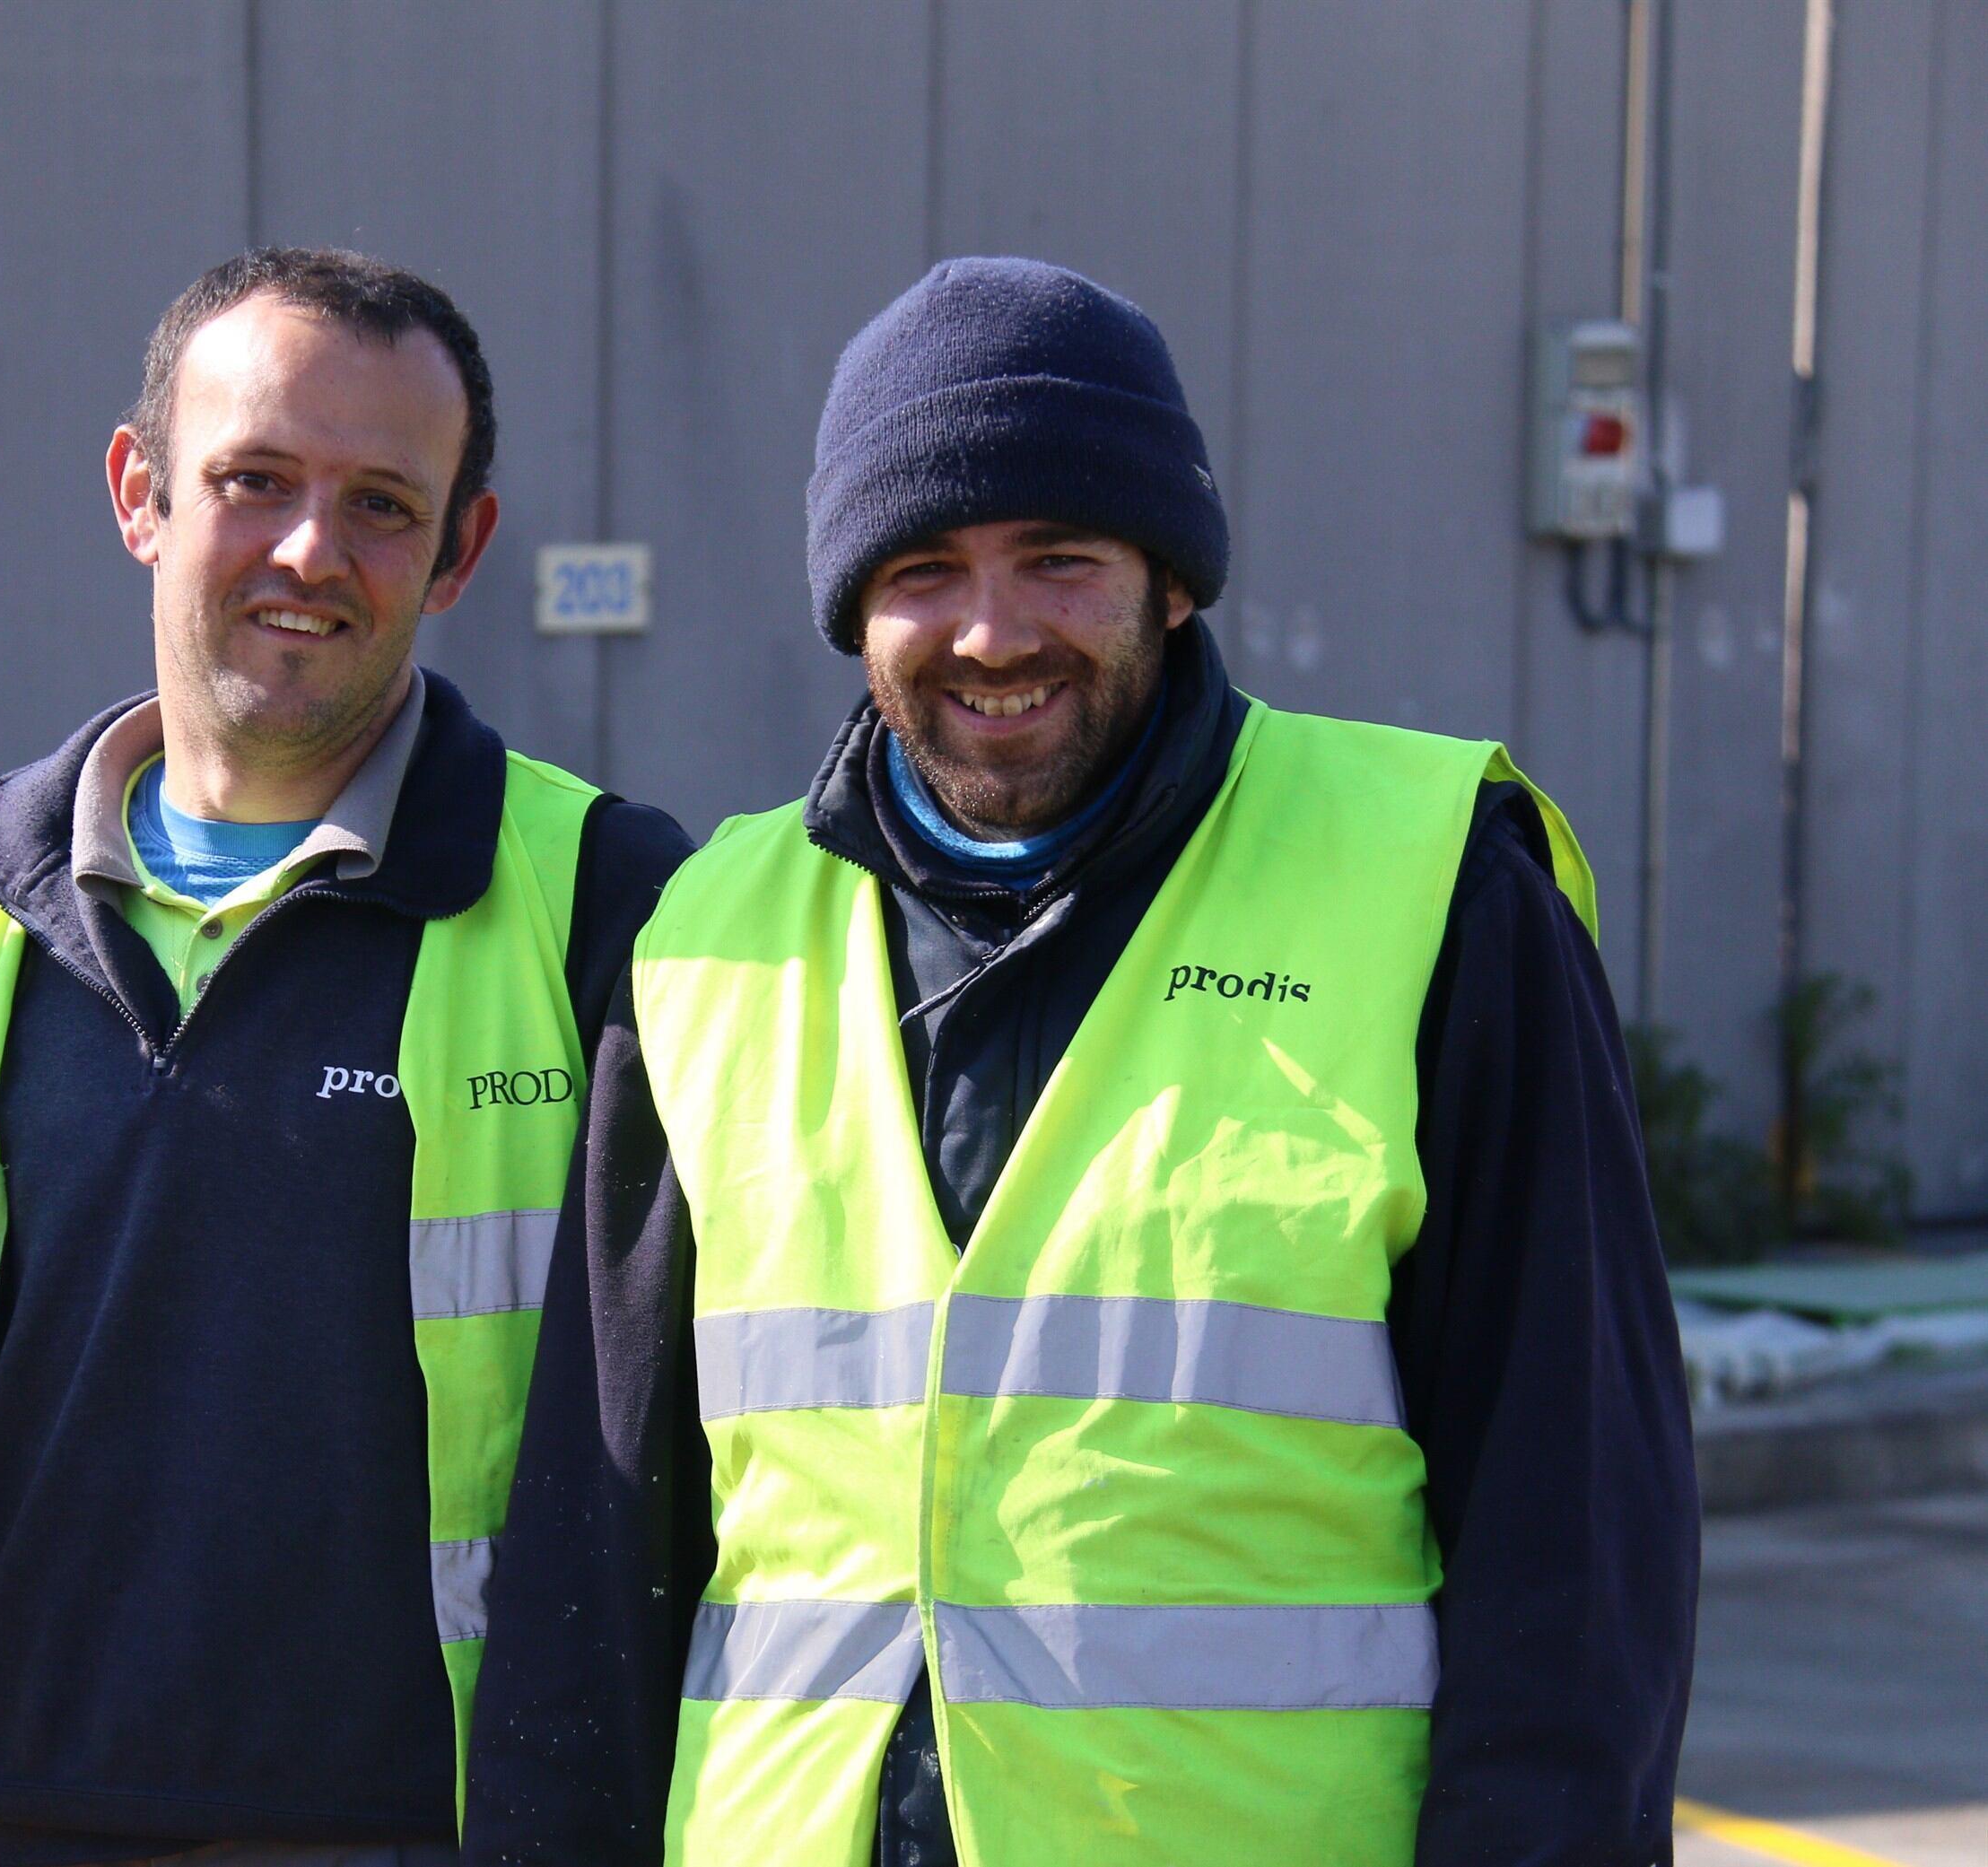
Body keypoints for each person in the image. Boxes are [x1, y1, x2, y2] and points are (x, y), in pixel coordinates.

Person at [465, 258, 1698, 1865]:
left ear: (1170, 581)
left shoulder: (1437, 889)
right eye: (925, 567)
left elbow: (1574, 1533)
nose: (993, 631)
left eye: (1059, 557)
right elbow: (595, 1544)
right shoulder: (709, 938)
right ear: (853, 611)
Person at [0, 248, 691, 1866]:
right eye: (253, 479)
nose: (310, 548)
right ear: (138, 494)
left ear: (460, 551)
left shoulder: (605, 909)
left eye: (381, 503)